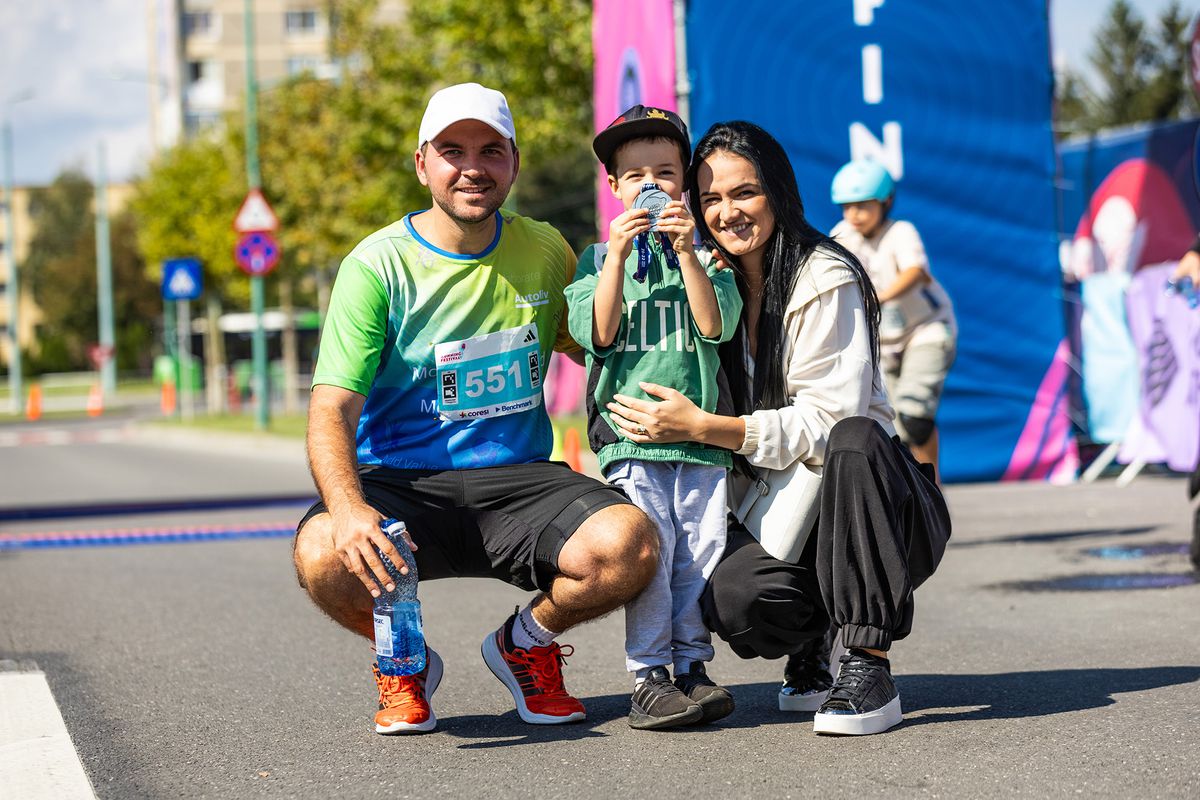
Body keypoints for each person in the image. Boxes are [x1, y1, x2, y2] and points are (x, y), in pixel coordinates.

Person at [292, 83, 658, 735]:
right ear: (422, 163)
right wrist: (349, 512)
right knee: (321, 552)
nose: (472, 167)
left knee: (630, 544)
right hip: (403, 485)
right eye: (452, 150)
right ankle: (402, 661)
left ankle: (527, 643)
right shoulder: (376, 266)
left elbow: (594, 350)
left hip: (519, 483)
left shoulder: (546, 250)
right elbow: (331, 410)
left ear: (513, 163)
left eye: (491, 151)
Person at [605, 121, 951, 736]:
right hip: (780, 504)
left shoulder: (826, 276)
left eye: (745, 193)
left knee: (853, 436)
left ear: (779, 192)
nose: (727, 212)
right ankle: (810, 644)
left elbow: (827, 419)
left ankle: (868, 662)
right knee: (730, 600)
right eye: (709, 198)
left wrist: (709, 427)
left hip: (875, 507)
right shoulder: (709, 281)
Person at [564, 106, 742, 729]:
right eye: (634, 174)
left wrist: (689, 254)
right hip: (632, 441)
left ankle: (693, 664)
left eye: (665, 173)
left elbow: (714, 326)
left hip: (698, 442)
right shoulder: (593, 261)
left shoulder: (708, 259)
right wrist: (615, 258)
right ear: (612, 187)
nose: (650, 185)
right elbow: (599, 333)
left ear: (685, 186)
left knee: (699, 553)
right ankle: (649, 674)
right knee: (655, 556)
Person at [829, 160, 957, 477]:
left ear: (885, 202)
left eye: (863, 206)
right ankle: (911, 495)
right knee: (891, 427)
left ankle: (933, 488)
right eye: (847, 207)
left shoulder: (900, 232)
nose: (853, 215)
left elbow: (915, 272)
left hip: (926, 330)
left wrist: (879, 297)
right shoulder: (843, 235)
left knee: (915, 416)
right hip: (881, 343)